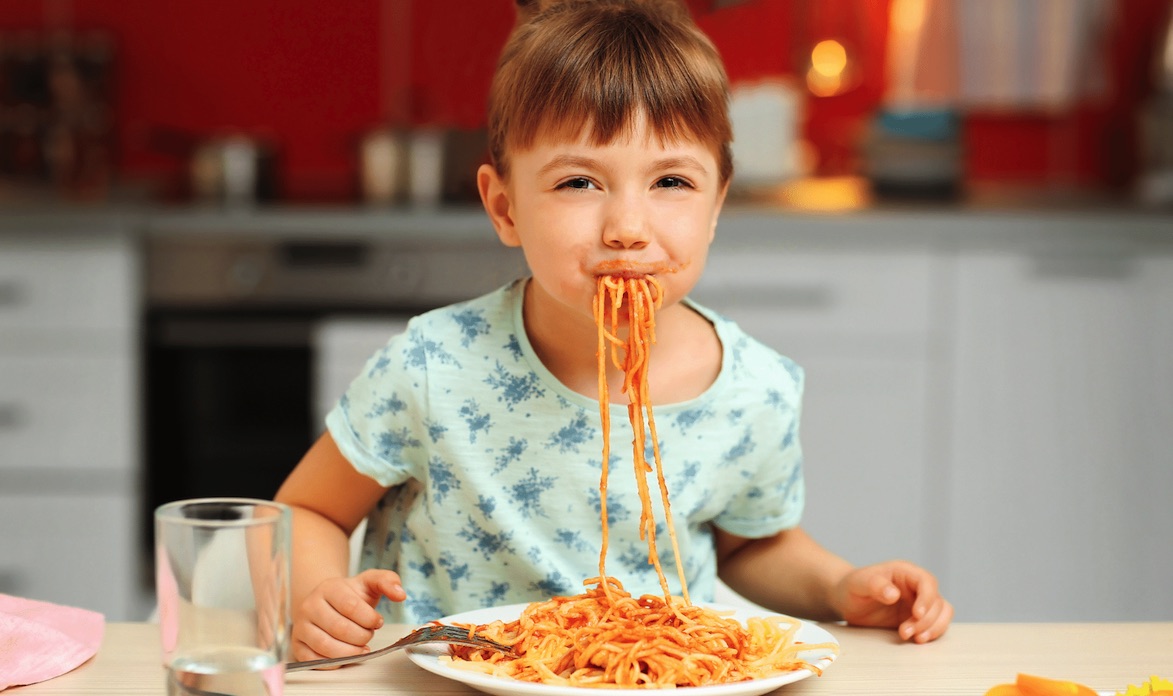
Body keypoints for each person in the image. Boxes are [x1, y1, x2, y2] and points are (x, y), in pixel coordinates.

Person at [275, 0, 953, 664]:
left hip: (650, 679)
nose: (627, 227)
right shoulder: (431, 365)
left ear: (716, 203)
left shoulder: (755, 389)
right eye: (578, 182)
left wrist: (839, 587)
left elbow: (750, 545)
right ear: (503, 207)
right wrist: (315, 596)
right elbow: (309, 510)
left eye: (670, 181)